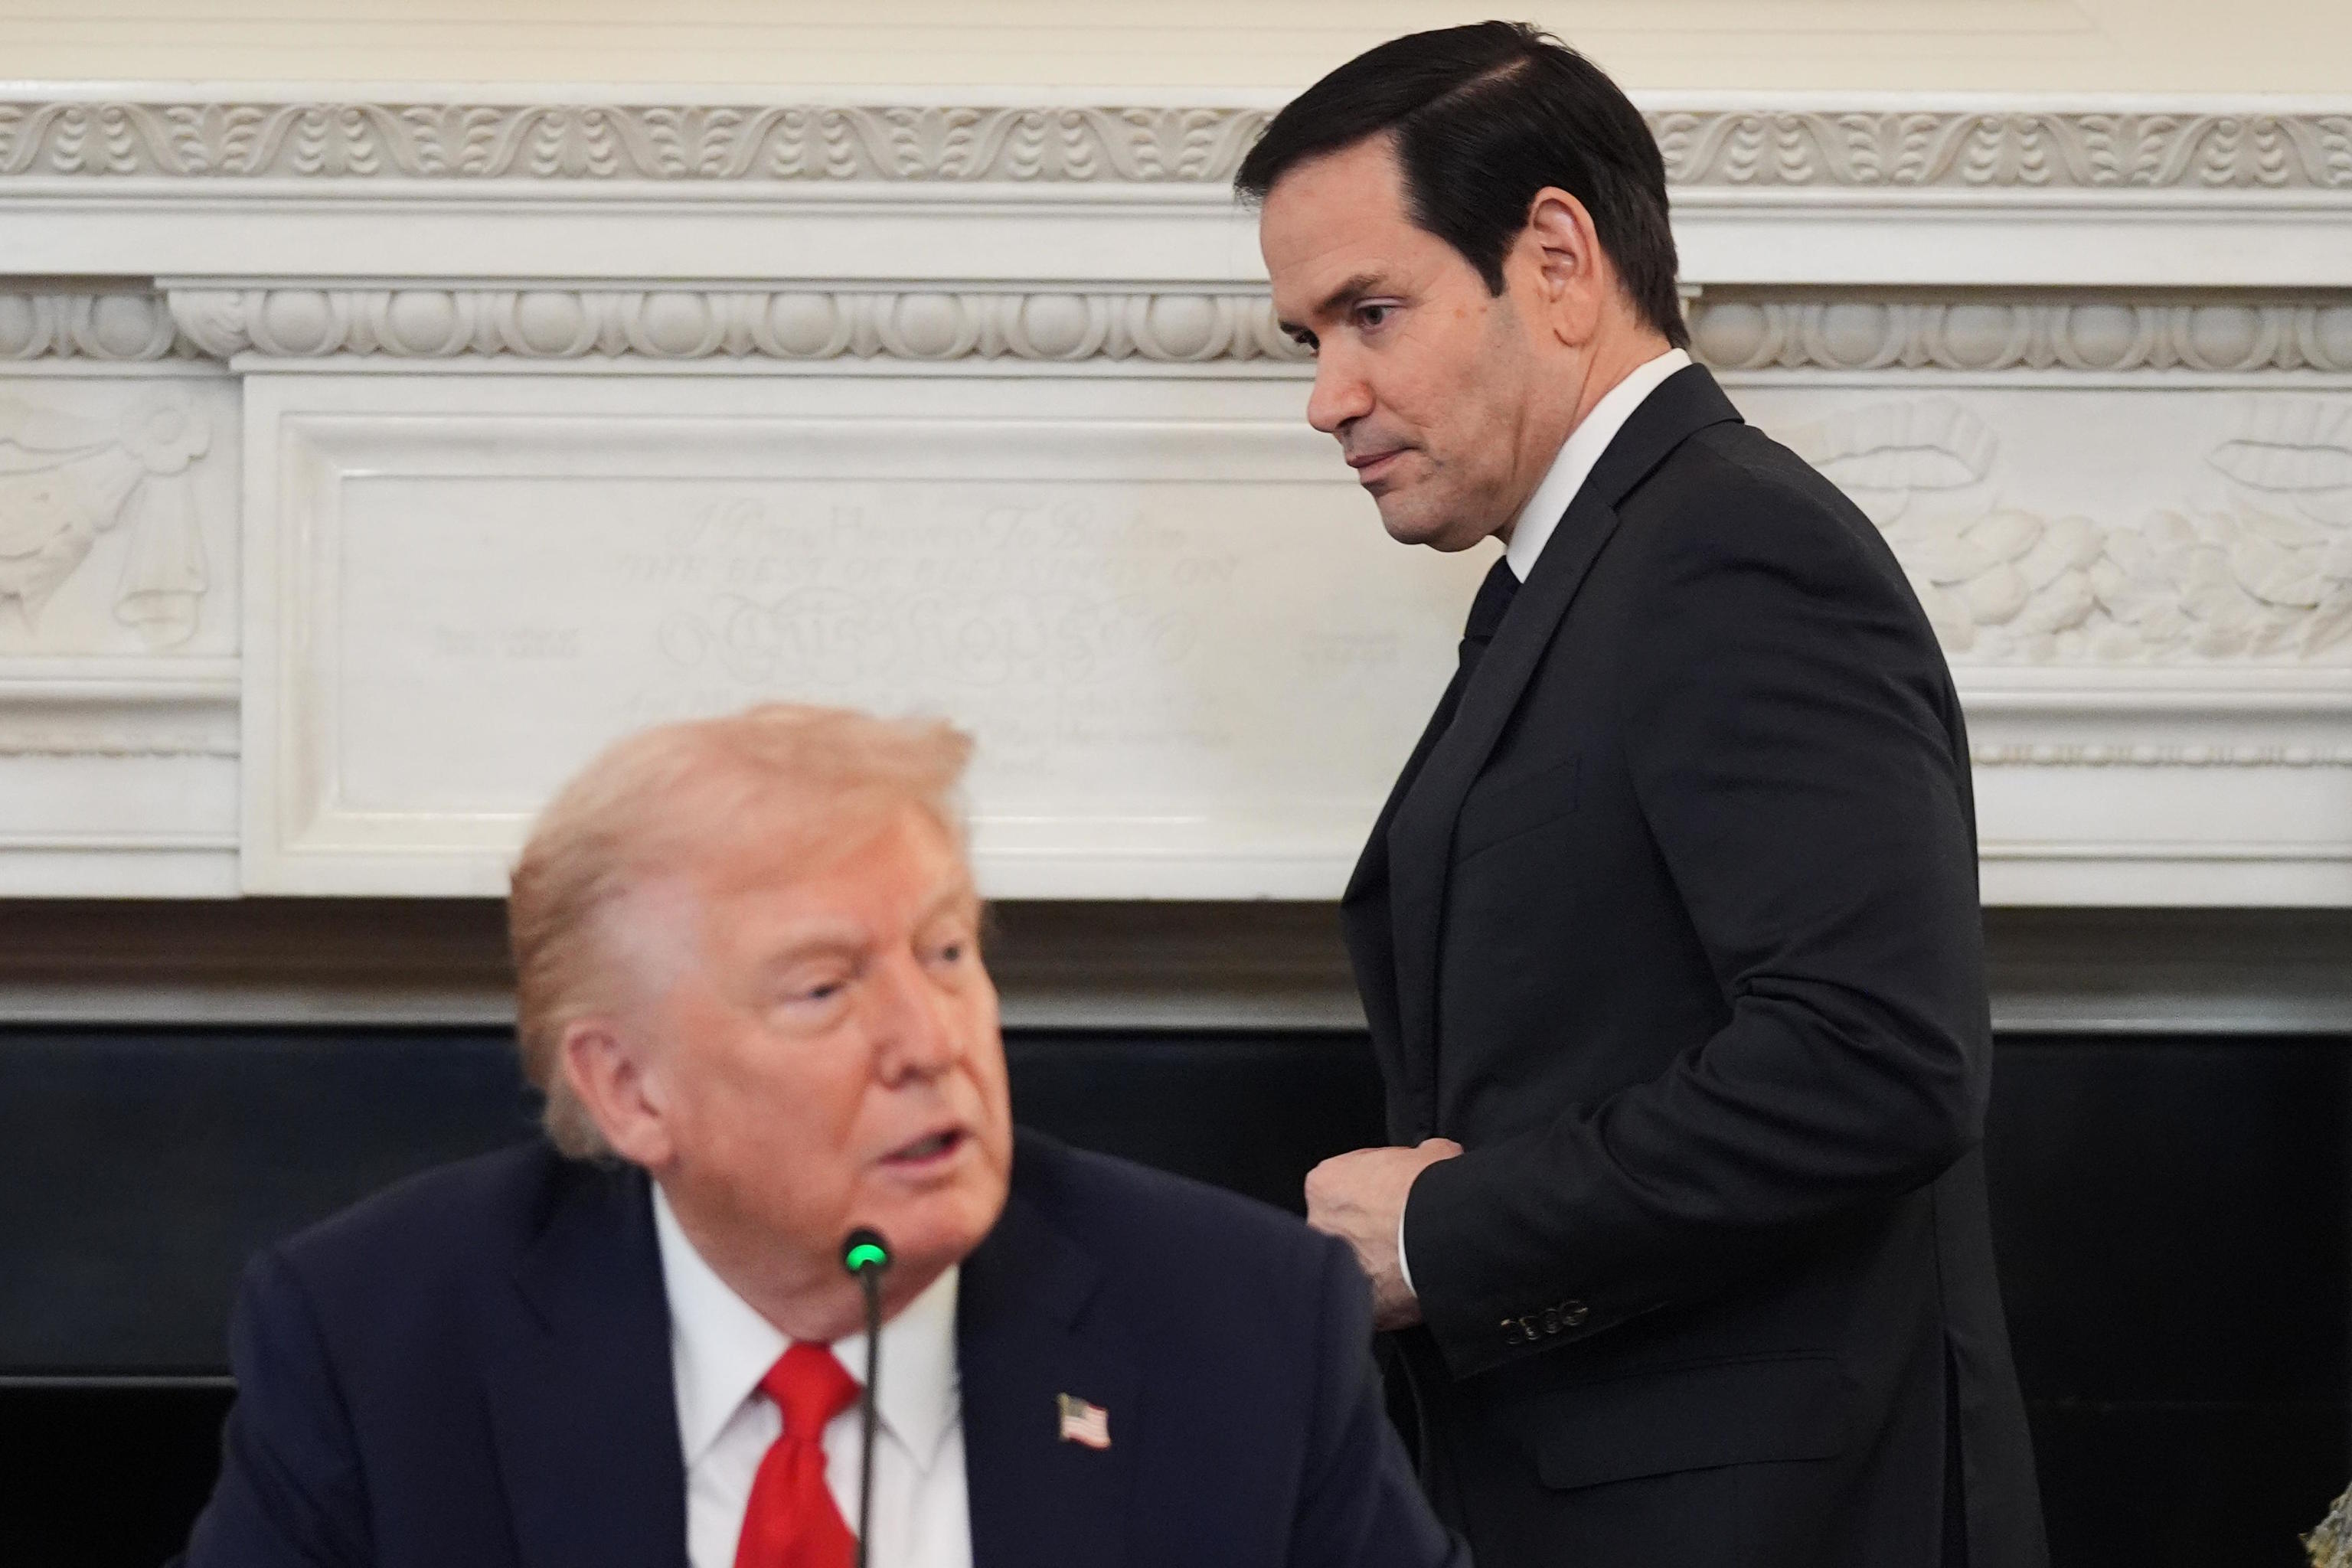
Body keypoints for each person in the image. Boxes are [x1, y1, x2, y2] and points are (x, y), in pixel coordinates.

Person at [1240, 22, 2047, 1568]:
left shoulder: (1730, 553)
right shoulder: (1596, 568)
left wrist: (1439, 1238)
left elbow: (1879, 1058)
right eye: (1308, 339)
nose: (1327, 395)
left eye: (1371, 312)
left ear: (1555, 256)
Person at [177, 704, 1464, 1568]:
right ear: (629, 1092)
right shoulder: (380, 1339)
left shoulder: (1240, 1330)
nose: (928, 1038)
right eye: (823, 990)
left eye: (946, 952)